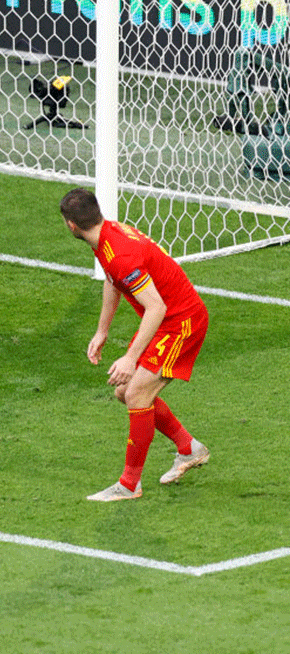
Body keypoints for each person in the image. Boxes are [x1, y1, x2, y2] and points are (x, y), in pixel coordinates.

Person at [60, 187, 211, 502]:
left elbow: (156, 307)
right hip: (169, 319)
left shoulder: (121, 255)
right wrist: (102, 331)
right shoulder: (107, 235)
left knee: (136, 392)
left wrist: (130, 358)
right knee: (123, 393)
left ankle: (129, 485)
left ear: (71, 225)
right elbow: (112, 280)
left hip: (180, 322)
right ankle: (189, 448)